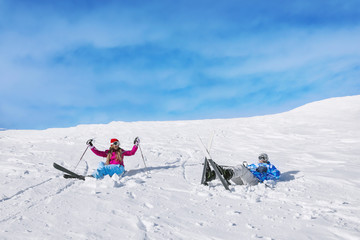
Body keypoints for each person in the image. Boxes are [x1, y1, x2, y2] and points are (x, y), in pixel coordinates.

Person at [205, 153, 280, 186]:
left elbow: (277, 175)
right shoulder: (254, 165)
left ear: (266, 159)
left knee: (240, 168)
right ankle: (212, 175)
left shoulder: (269, 166)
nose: (261, 159)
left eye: (263, 158)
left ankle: (227, 173)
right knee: (231, 168)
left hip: (255, 181)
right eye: (260, 158)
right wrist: (247, 167)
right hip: (244, 180)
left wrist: (266, 172)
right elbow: (245, 169)